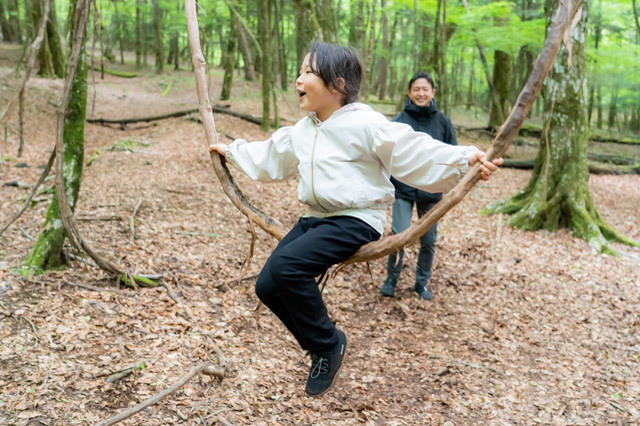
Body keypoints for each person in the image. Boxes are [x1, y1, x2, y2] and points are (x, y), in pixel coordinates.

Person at [209, 42, 502, 397]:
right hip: (316, 216)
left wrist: (465, 159)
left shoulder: (366, 124)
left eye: (308, 72)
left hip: (356, 218)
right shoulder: (304, 129)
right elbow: (273, 154)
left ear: (338, 85)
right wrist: (233, 152)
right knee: (267, 286)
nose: (298, 79)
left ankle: (327, 346)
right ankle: (324, 343)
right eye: (299, 72)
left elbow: (412, 149)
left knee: (287, 266)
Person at [381, 72, 457, 301]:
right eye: (416, 89)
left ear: (433, 93)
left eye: (425, 89)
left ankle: (421, 283)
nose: (421, 93)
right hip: (403, 189)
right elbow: (386, 154)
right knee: (398, 236)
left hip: (431, 191)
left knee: (429, 240)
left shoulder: (443, 122)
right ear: (409, 92)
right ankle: (391, 280)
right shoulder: (398, 121)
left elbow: (453, 153)